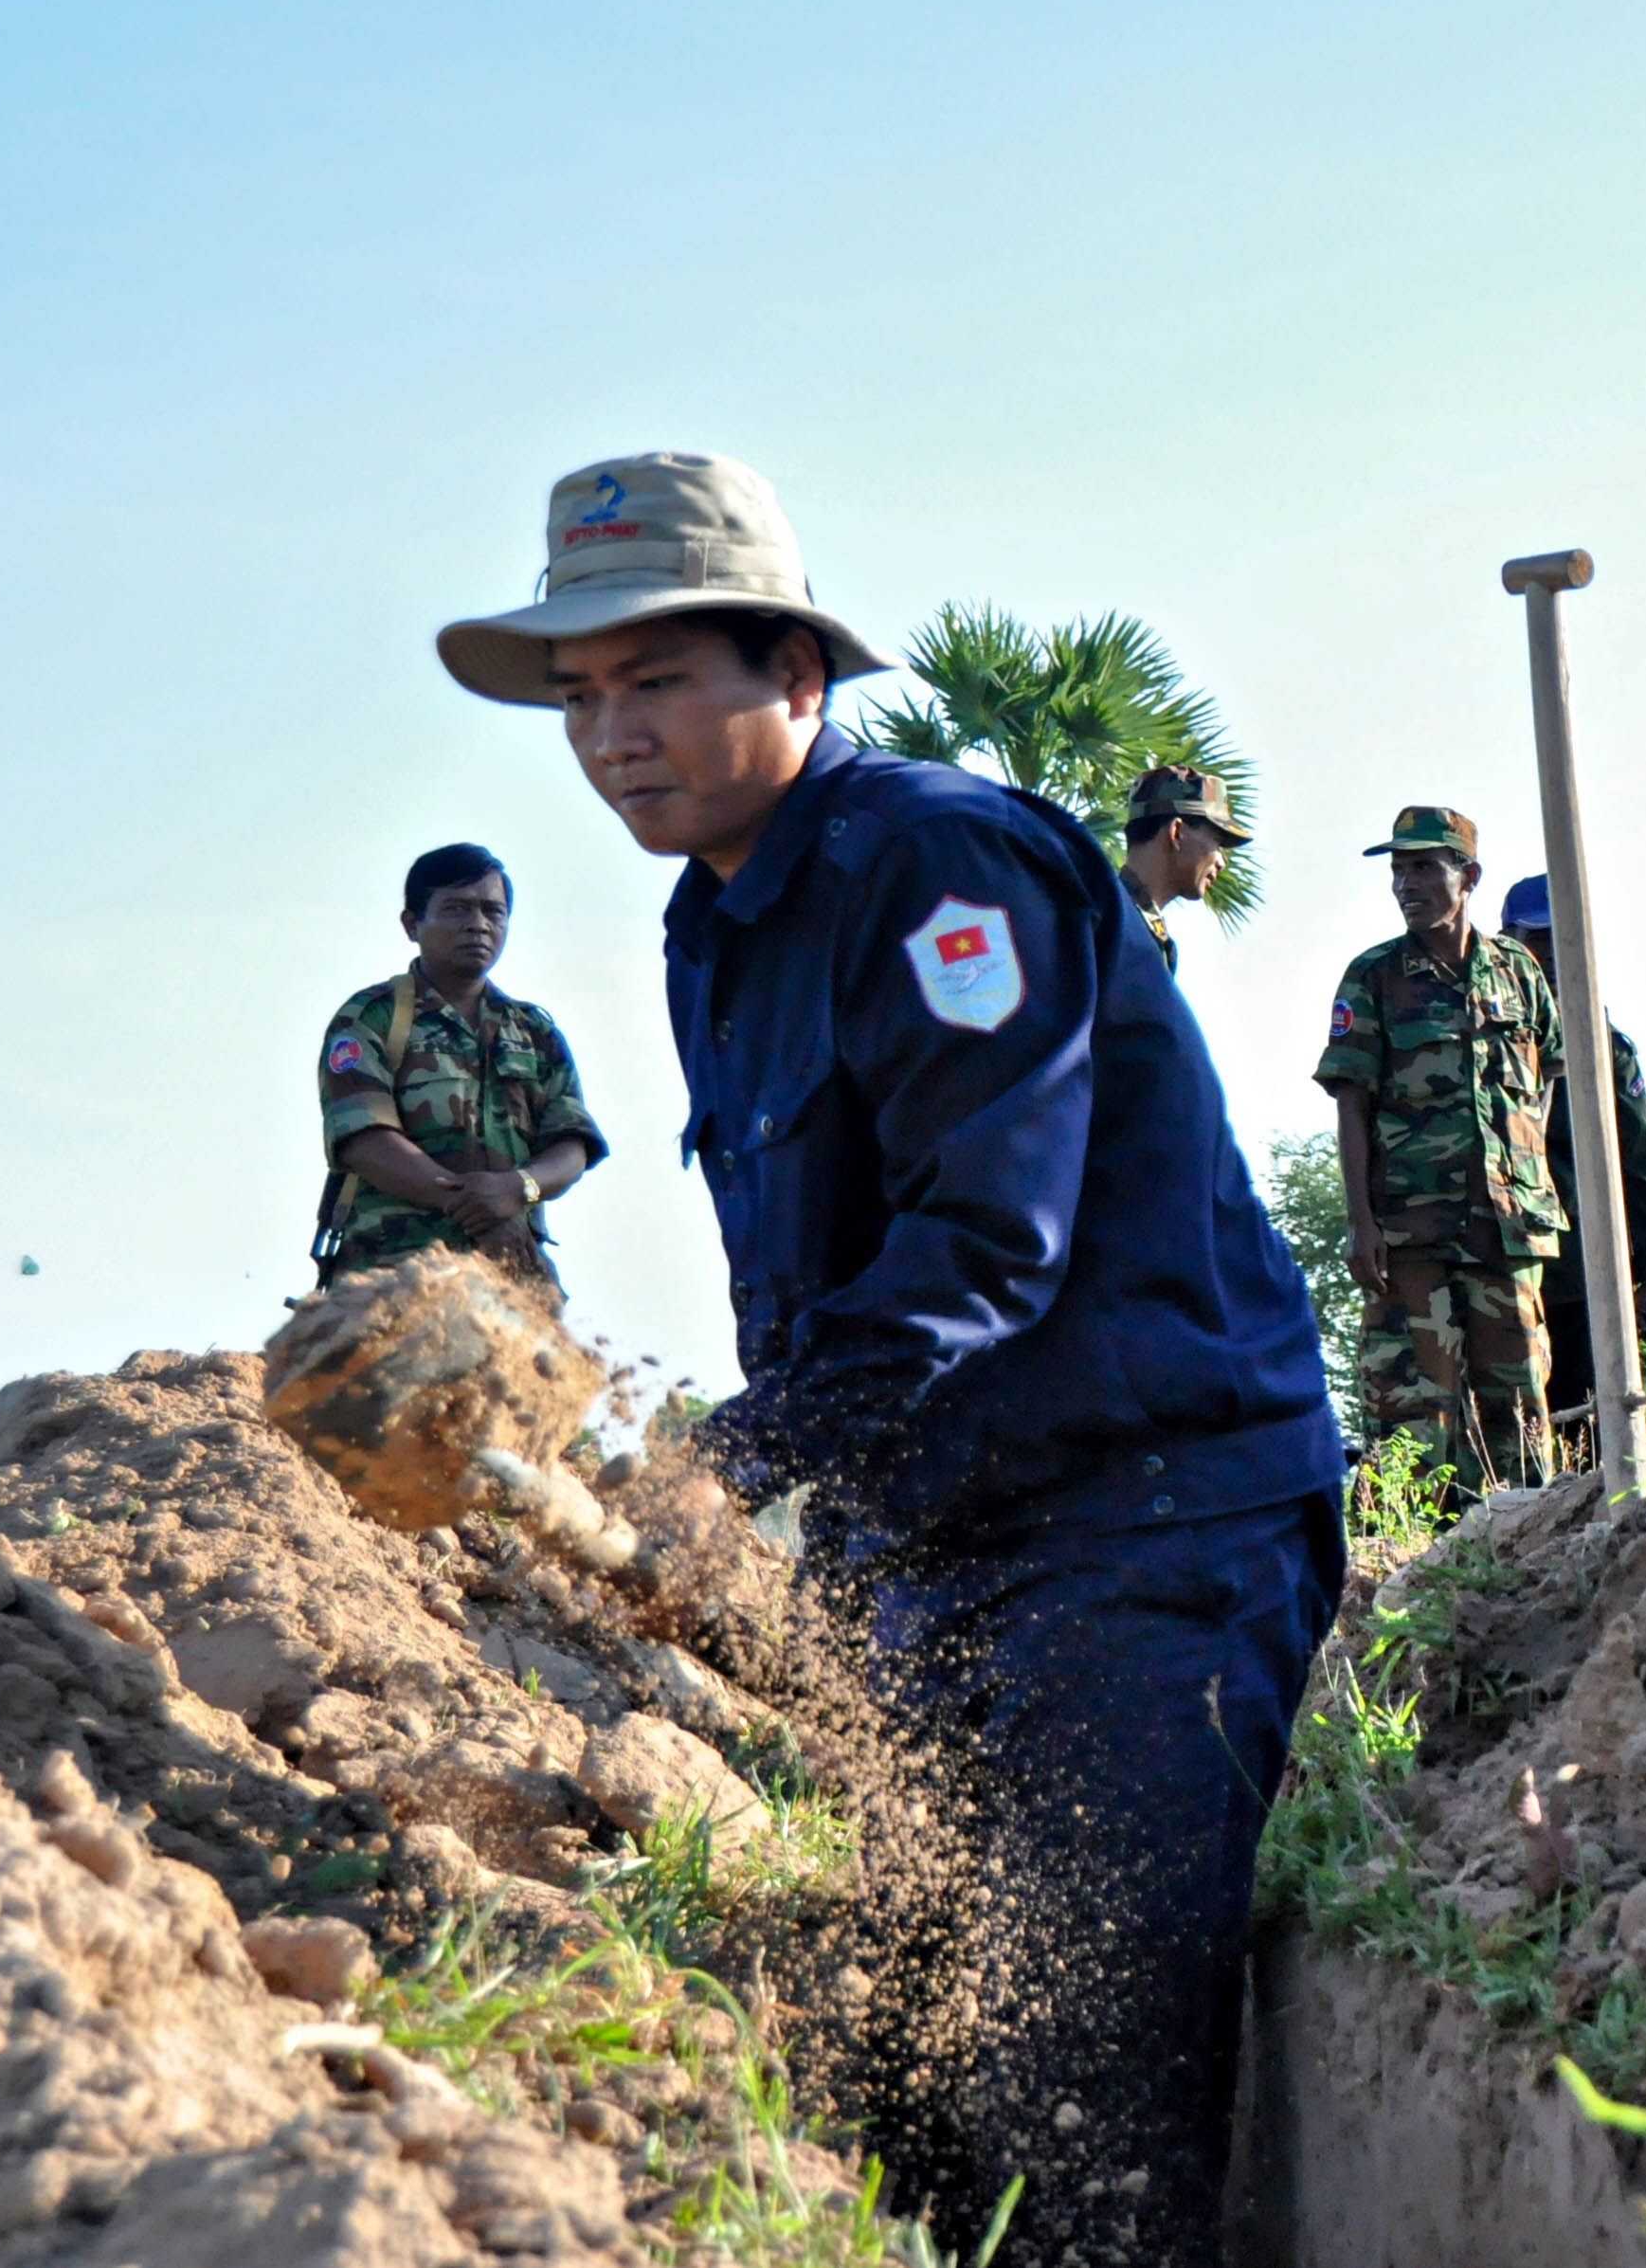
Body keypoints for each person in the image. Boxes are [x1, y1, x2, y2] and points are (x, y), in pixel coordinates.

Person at [434, 450, 1343, 2266]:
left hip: (1146, 1538)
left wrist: (730, 1465)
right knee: (919, 2105)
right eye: (582, 695)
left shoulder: (939, 863)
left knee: (1088, 2102)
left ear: (798, 674)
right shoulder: (721, 919)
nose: (614, 733)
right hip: (937, 1570)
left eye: (658, 678)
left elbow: (984, 1240)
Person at [1315, 807, 1565, 1492]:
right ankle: (1414, 1568)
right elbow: (1351, 1103)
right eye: (1398, 870)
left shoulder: (1517, 971)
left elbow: (1546, 1080)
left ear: (1470, 876)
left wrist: (1527, 1178)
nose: (1406, 884)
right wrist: (1361, 1224)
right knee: (1414, 1417)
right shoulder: (1373, 977)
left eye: (1424, 866)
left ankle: (1523, 1557)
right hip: (1410, 1234)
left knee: (1518, 1412)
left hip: (1507, 1231)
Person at [313, 843, 606, 1287]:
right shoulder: (372, 1017)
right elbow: (365, 1141)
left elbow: (572, 1148)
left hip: (513, 1278)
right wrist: (479, 1210)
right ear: (413, 924)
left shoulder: (534, 1031)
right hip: (391, 1277)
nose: (478, 924)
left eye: (494, 911)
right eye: (455, 908)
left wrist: (518, 1188)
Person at [1499, 872, 1646, 1425]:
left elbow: (1643, 1160)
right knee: (1503, 1433)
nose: (1552, 957)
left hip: (1585, 1277)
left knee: (1592, 1429)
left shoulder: (1605, 1048)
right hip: (1495, 1272)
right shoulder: (1480, 1034)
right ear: (1507, 944)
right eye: (1538, 940)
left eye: (1565, 940)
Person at [1118, 763, 1248, 970]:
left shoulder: (1139, 926)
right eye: (1216, 841)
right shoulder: (1105, 916)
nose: (1221, 862)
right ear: (1177, 832)